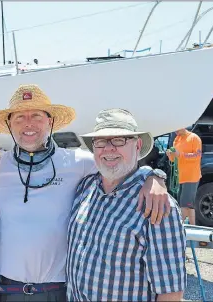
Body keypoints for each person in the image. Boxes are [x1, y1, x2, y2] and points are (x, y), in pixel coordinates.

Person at [0, 84, 170, 301]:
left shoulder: (77, 162)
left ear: (50, 122)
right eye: (19, 117)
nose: (28, 124)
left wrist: (154, 176)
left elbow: (117, 164)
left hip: (58, 290)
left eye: (37, 116)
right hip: (6, 289)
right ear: (9, 124)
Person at [67, 109, 186, 301]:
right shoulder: (85, 187)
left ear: (137, 145)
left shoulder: (158, 204)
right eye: (101, 141)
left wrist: (154, 176)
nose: (109, 148)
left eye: (119, 140)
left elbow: (170, 293)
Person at [167, 127, 202, 225]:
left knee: (184, 204)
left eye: (178, 127)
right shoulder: (176, 139)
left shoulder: (194, 138)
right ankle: (192, 226)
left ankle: (178, 226)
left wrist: (180, 154)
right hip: (181, 176)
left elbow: (197, 156)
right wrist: (171, 155)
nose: (176, 130)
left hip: (191, 176)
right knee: (189, 205)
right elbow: (174, 159)